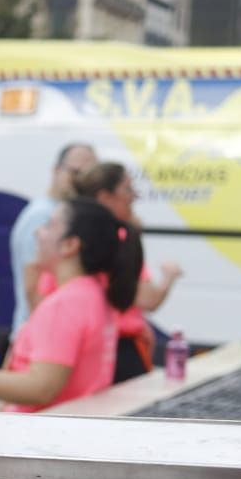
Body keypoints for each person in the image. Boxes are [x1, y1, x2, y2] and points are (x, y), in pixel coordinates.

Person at [0, 198, 141, 413]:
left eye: (49, 225)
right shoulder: (93, 292)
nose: (38, 232)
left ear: (70, 245)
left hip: (40, 436)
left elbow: (42, 388)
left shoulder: (64, 304)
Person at [60, 162, 182, 381]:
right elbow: (147, 298)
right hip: (117, 350)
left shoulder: (74, 243)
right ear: (105, 197)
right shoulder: (120, 240)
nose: (134, 195)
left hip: (91, 348)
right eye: (127, 188)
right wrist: (170, 276)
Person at [10, 142, 97, 332]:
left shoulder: (57, 212)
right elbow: (34, 283)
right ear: (56, 171)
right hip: (37, 336)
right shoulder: (43, 216)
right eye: (75, 173)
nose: (81, 181)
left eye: (89, 175)